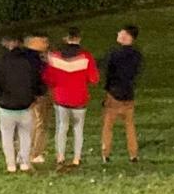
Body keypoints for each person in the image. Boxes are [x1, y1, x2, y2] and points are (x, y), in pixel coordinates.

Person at [43, 27, 99, 168]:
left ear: (66, 38)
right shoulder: (86, 56)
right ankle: (76, 158)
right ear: (79, 38)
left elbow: (48, 78)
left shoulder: (55, 56)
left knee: (62, 127)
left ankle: (60, 157)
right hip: (79, 98)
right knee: (78, 129)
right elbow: (94, 78)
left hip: (61, 98)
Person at [0, 36, 44, 172]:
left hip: (6, 105)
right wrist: (35, 97)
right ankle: (24, 162)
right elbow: (37, 82)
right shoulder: (28, 62)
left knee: (7, 136)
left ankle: (11, 164)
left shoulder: (1, 63)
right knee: (25, 134)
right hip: (25, 105)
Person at [101, 24, 143, 164]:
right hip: (128, 93)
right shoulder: (137, 55)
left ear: (126, 36)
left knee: (108, 125)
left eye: (121, 32)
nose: (118, 33)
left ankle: (105, 152)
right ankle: (133, 154)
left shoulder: (114, 53)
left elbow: (107, 71)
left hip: (114, 93)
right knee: (130, 125)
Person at [23, 34, 52, 164]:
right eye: (43, 41)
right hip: (38, 95)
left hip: (25, 95)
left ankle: (25, 152)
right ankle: (35, 153)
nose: (46, 44)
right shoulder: (36, 60)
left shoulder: (23, 57)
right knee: (40, 123)